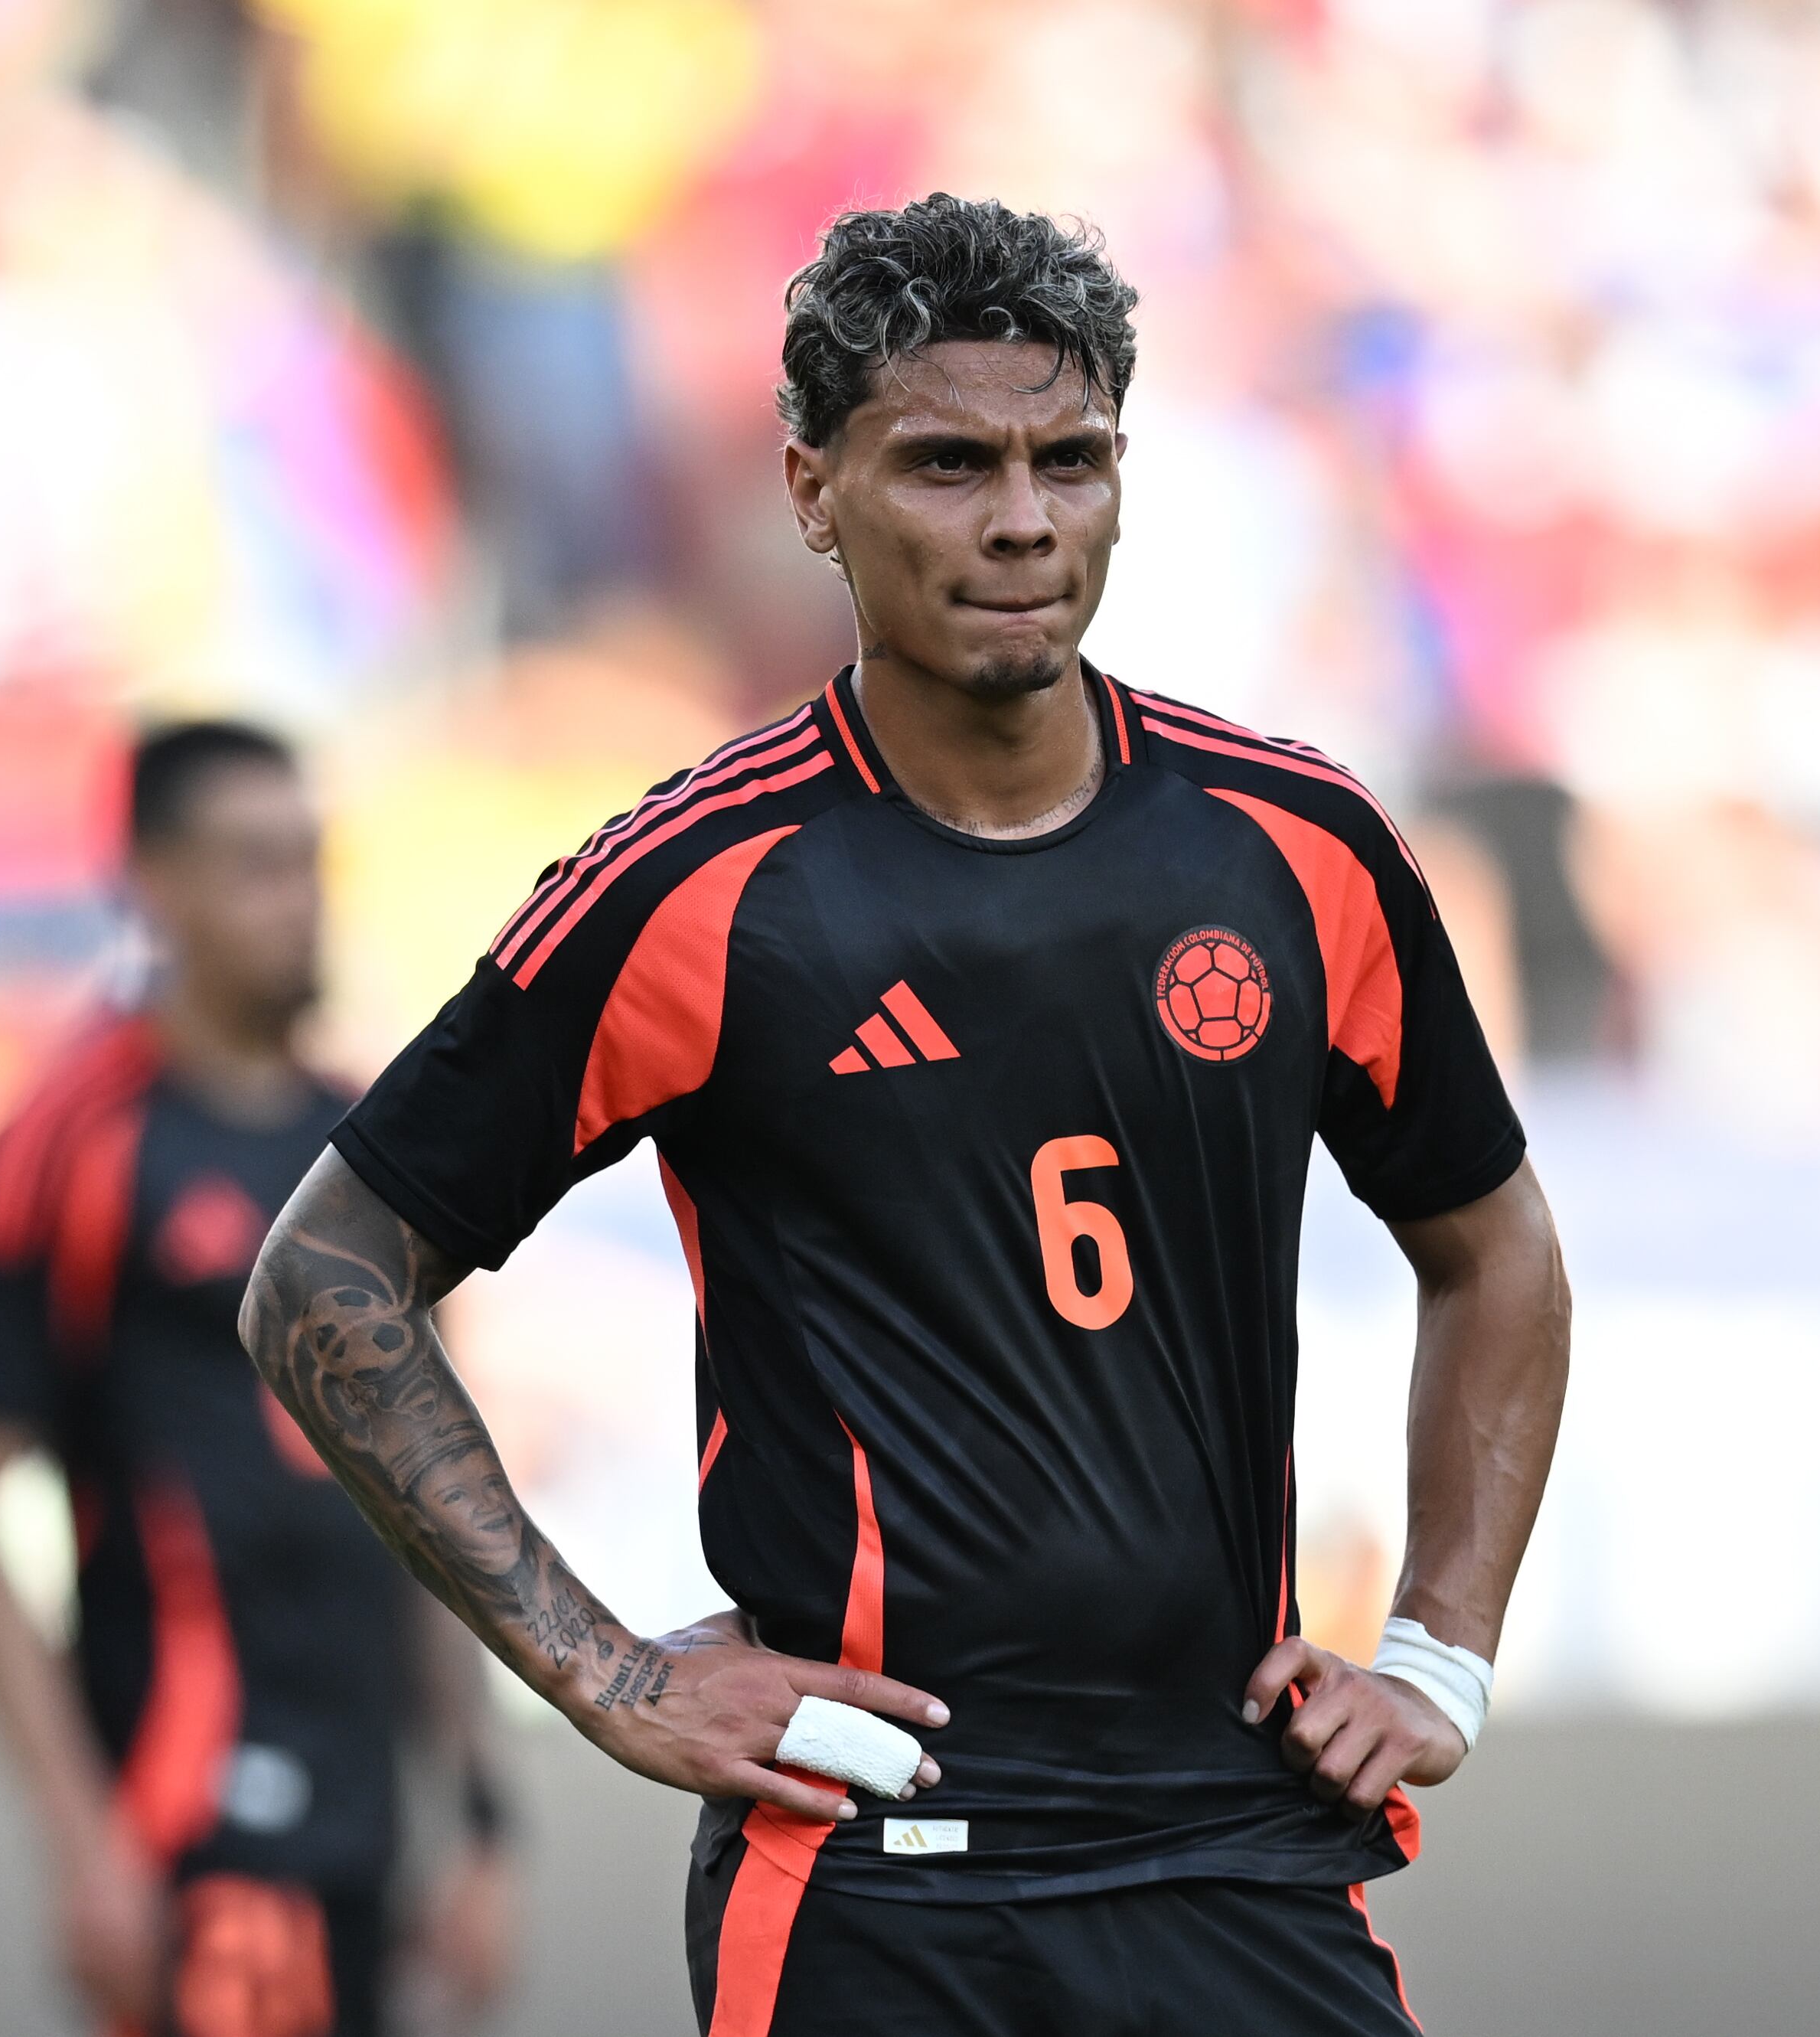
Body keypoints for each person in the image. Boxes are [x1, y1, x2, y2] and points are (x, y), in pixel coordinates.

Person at [240, 196, 1570, 2035]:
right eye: (947, 462)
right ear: (810, 487)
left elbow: (1491, 1243)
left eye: (1070, 458)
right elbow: (325, 1272)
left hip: (1239, 1843)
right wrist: (603, 1671)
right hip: (877, 1867)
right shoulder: (698, 883)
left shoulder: (1294, 844)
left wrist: (1438, 1648)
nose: (1022, 517)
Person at [0, 721, 515, 2037]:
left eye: (308, 862)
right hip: (190, 1806)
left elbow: (442, 1495)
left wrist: (480, 1815)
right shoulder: (59, 1148)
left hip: (372, 1808)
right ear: (155, 883)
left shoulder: (372, 1153)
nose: (299, 901)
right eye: (256, 864)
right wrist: (80, 1833)